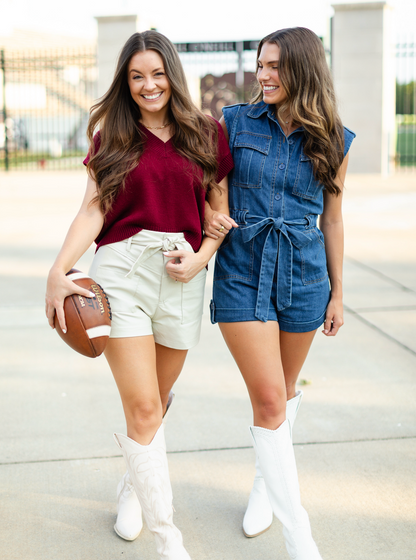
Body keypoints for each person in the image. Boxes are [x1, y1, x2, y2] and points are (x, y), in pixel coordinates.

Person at [45, 30, 233, 560]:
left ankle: (134, 482)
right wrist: (59, 269)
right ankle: (168, 538)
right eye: (136, 77)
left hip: (182, 273)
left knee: (158, 402)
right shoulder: (114, 135)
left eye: (156, 74)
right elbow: (93, 210)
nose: (148, 86)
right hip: (122, 270)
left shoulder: (205, 132)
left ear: (171, 74)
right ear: (125, 83)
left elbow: (217, 213)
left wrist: (200, 258)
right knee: (145, 406)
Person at [204, 27, 355, 560]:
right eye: (261, 65)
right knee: (269, 397)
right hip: (243, 269)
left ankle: (265, 483)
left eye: (274, 67)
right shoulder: (233, 123)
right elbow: (210, 193)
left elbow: (332, 219)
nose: (263, 75)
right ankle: (301, 539)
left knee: (283, 394)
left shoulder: (334, 138)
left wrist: (338, 293)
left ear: (303, 71)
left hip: (305, 274)